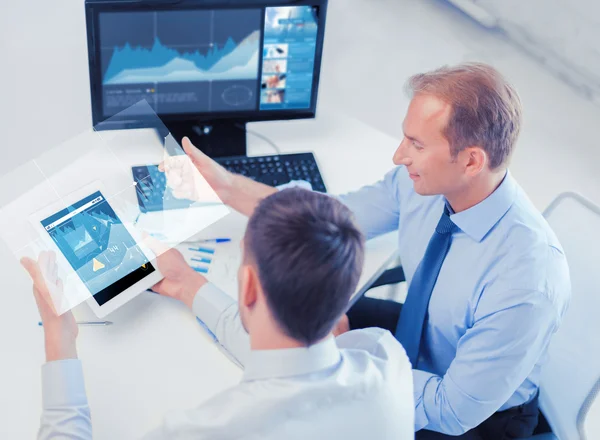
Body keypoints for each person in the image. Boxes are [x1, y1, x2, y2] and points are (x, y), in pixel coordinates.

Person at [163, 62, 571, 439]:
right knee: (290, 316)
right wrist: (227, 187)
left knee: (296, 357)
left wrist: (337, 362)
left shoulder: (527, 280)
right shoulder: (424, 186)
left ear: (470, 161)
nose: (398, 156)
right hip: (422, 339)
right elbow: (326, 218)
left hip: (476, 418)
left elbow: (452, 409)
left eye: (416, 144)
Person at [22, 188, 415, 440]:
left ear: (246, 287)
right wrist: (188, 284)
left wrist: (59, 337)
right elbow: (293, 360)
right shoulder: (386, 358)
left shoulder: (203, 430)